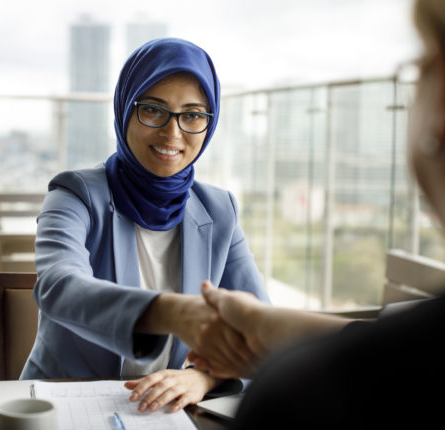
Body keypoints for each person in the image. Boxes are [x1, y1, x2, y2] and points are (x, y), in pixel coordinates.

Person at [186, 0, 445, 425]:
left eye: (418, 71)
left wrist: (211, 369)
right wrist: (265, 324)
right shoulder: (81, 193)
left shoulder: (309, 397)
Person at [20, 37, 270, 413]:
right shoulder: (75, 193)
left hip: (158, 414)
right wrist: (169, 311)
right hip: (62, 406)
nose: (172, 133)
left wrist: (203, 378)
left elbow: (262, 334)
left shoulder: (220, 210)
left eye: (193, 115)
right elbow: (58, 286)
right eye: (153, 110)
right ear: (125, 110)